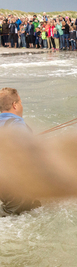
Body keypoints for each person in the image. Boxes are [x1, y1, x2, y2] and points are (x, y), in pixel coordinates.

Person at [0, 88, 40, 217]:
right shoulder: (17, 123)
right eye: (21, 102)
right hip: (14, 182)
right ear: (15, 105)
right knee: (14, 216)